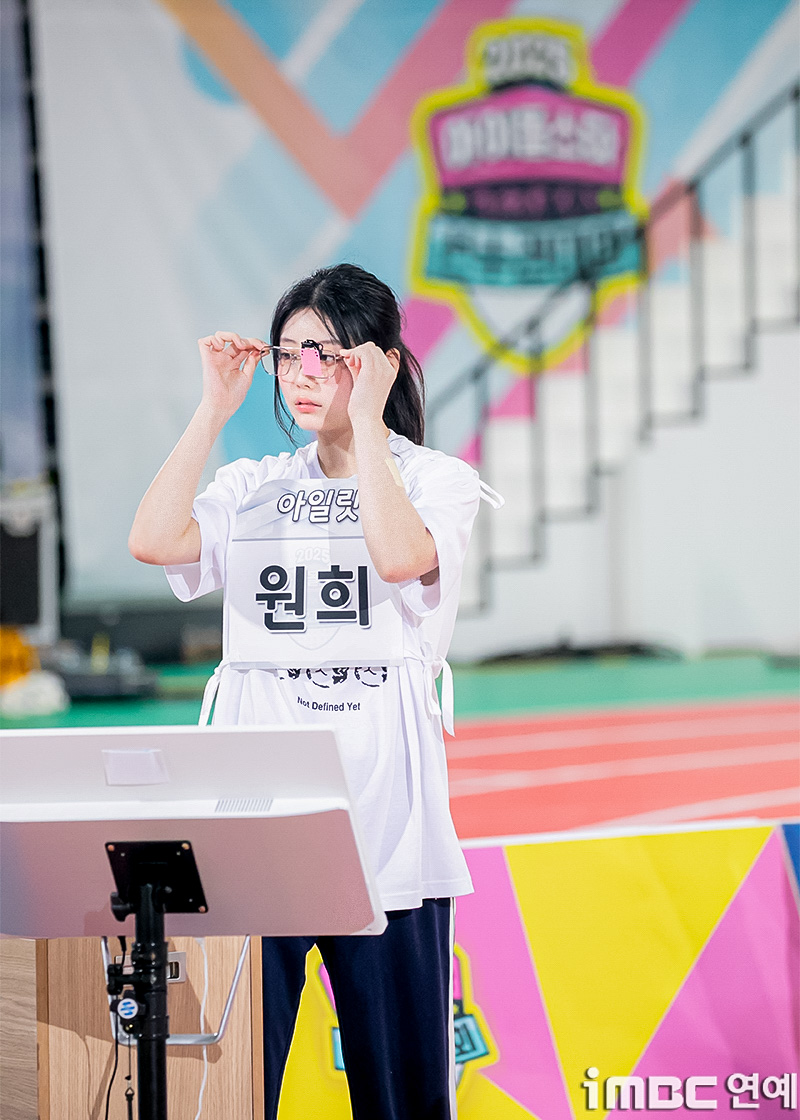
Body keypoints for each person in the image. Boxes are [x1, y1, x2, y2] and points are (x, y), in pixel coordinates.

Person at [129, 263, 501, 1119]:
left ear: (378, 364)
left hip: (388, 828)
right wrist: (212, 410)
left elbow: (400, 558)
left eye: (328, 355)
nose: (302, 373)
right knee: (231, 1090)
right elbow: (153, 540)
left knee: (402, 1095)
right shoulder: (255, 483)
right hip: (259, 822)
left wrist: (367, 424)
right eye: (289, 352)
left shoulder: (435, 480)